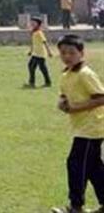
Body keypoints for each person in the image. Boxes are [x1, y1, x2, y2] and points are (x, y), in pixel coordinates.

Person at [50, 34, 104, 213]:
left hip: (91, 128)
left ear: (81, 53)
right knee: (93, 167)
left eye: (71, 53)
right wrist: (62, 103)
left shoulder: (85, 74)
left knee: (76, 164)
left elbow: (101, 98)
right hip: (80, 127)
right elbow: (65, 95)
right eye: (63, 52)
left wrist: (76, 108)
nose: (66, 56)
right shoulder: (67, 73)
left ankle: (75, 206)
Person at [27, 17, 54, 88]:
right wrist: (30, 51)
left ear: (38, 24)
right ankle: (32, 82)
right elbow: (33, 43)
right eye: (31, 22)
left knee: (42, 68)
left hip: (40, 54)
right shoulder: (33, 32)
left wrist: (49, 52)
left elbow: (45, 42)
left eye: (34, 22)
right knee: (30, 66)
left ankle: (47, 82)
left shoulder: (39, 33)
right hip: (35, 53)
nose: (32, 23)